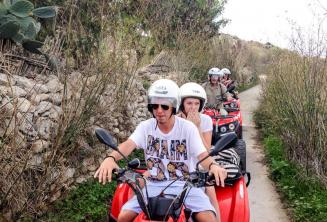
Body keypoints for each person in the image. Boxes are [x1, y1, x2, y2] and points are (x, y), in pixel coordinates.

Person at [94, 79, 227, 222]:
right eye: (154, 106)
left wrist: (213, 166)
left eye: (164, 106)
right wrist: (111, 158)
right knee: (123, 217)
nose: (159, 111)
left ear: (174, 106)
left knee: (208, 219)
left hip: (185, 186)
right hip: (152, 184)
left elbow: (203, 155)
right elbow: (128, 145)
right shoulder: (146, 127)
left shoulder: (188, 128)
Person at [177, 82, 221, 221]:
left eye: (197, 103)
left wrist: (196, 127)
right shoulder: (174, 120)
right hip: (180, 165)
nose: (193, 107)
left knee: (210, 191)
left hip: (200, 165)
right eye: (189, 103)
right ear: (181, 103)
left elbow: (206, 150)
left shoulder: (206, 120)